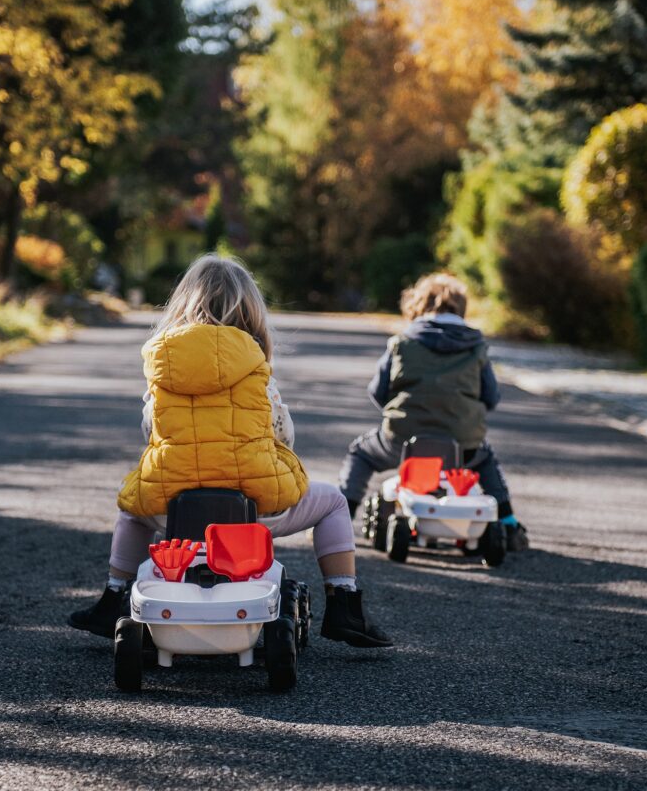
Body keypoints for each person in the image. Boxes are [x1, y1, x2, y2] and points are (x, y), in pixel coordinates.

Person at [69, 254, 392, 647]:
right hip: (254, 512)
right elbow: (282, 433)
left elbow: (150, 429)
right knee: (333, 503)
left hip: (173, 511)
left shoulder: (162, 369)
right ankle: (344, 603)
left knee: (132, 508)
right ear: (252, 315)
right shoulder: (256, 370)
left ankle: (113, 596)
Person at [339, 272, 529, 551]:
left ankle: (340, 520)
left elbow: (378, 391)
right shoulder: (477, 347)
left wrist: (400, 411)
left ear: (417, 308)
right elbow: (491, 397)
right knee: (485, 460)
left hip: (402, 441)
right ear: (460, 309)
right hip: (461, 445)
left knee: (362, 453)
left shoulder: (402, 342)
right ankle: (509, 523)